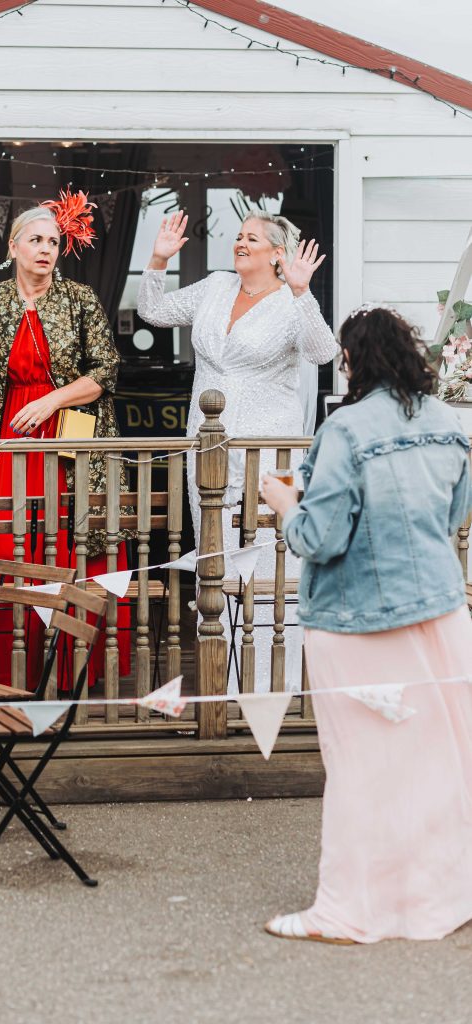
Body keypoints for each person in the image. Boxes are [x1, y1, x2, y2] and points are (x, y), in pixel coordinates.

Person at [261, 305, 472, 944]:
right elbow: (456, 514)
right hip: (441, 611)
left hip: (359, 622)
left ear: (353, 360)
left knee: (360, 770)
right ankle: (444, 894)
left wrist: (285, 505)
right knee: (440, 765)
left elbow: (320, 539)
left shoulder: (345, 429)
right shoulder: (452, 425)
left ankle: (348, 911)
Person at [137, 209, 338, 690]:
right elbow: (154, 312)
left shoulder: (292, 300)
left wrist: (302, 293)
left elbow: (323, 351)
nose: (240, 243)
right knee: (217, 560)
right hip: (205, 445)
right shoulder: (216, 287)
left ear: (276, 254)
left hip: (271, 450)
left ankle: (277, 683)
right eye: (239, 236)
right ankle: (223, 683)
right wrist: (158, 259)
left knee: (272, 559)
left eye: (251, 238)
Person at [0, 191, 131, 689]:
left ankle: (73, 667)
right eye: (35, 240)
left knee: (71, 538)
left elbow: (106, 371)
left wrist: (52, 400)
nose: (45, 249)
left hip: (69, 437)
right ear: (13, 246)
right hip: (14, 438)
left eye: (53, 242)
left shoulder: (81, 299)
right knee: (19, 544)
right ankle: (20, 665)